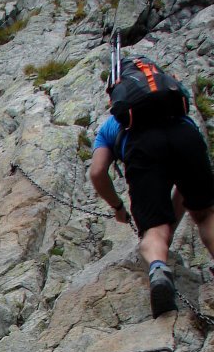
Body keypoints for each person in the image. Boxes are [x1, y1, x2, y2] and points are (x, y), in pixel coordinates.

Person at [89, 72, 214, 317]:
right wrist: (174, 222)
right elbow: (184, 190)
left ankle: (158, 269)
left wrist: (118, 207)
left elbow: (97, 172)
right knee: (207, 215)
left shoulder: (113, 126)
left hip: (143, 147)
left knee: (154, 231)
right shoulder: (177, 111)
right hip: (187, 138)